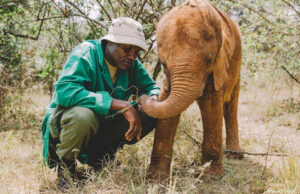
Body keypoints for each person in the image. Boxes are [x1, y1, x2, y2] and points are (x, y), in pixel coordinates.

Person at [41, 17, 160, 188]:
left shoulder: (130, 63)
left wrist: (148, 99)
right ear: (109, 42)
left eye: (136, 51)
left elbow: (151, 87)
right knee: (83, 115)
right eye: (127, 49)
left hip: (101, 127)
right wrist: (120, 104)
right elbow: (65, 91)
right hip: (67, 126)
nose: (132, 56)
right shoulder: (85, 53)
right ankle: (66, 169)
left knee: (154, 109)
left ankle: (101, 157)